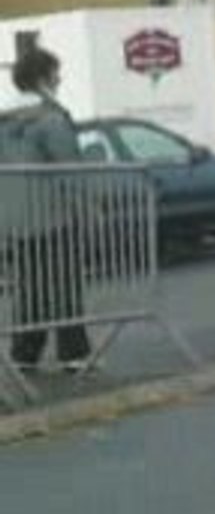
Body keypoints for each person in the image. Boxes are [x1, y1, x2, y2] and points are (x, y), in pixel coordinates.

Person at [0, 46, 92, 372]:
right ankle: (73, 354)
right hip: (54, 216)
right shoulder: (51, 118)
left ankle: (25, 354)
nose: (59, 79)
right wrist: (87, 206)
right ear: (43, 79)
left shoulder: (4, 120)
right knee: (64, 284)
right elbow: (71, 166)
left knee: (29, 290)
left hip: (14, 221)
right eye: (56, 73)